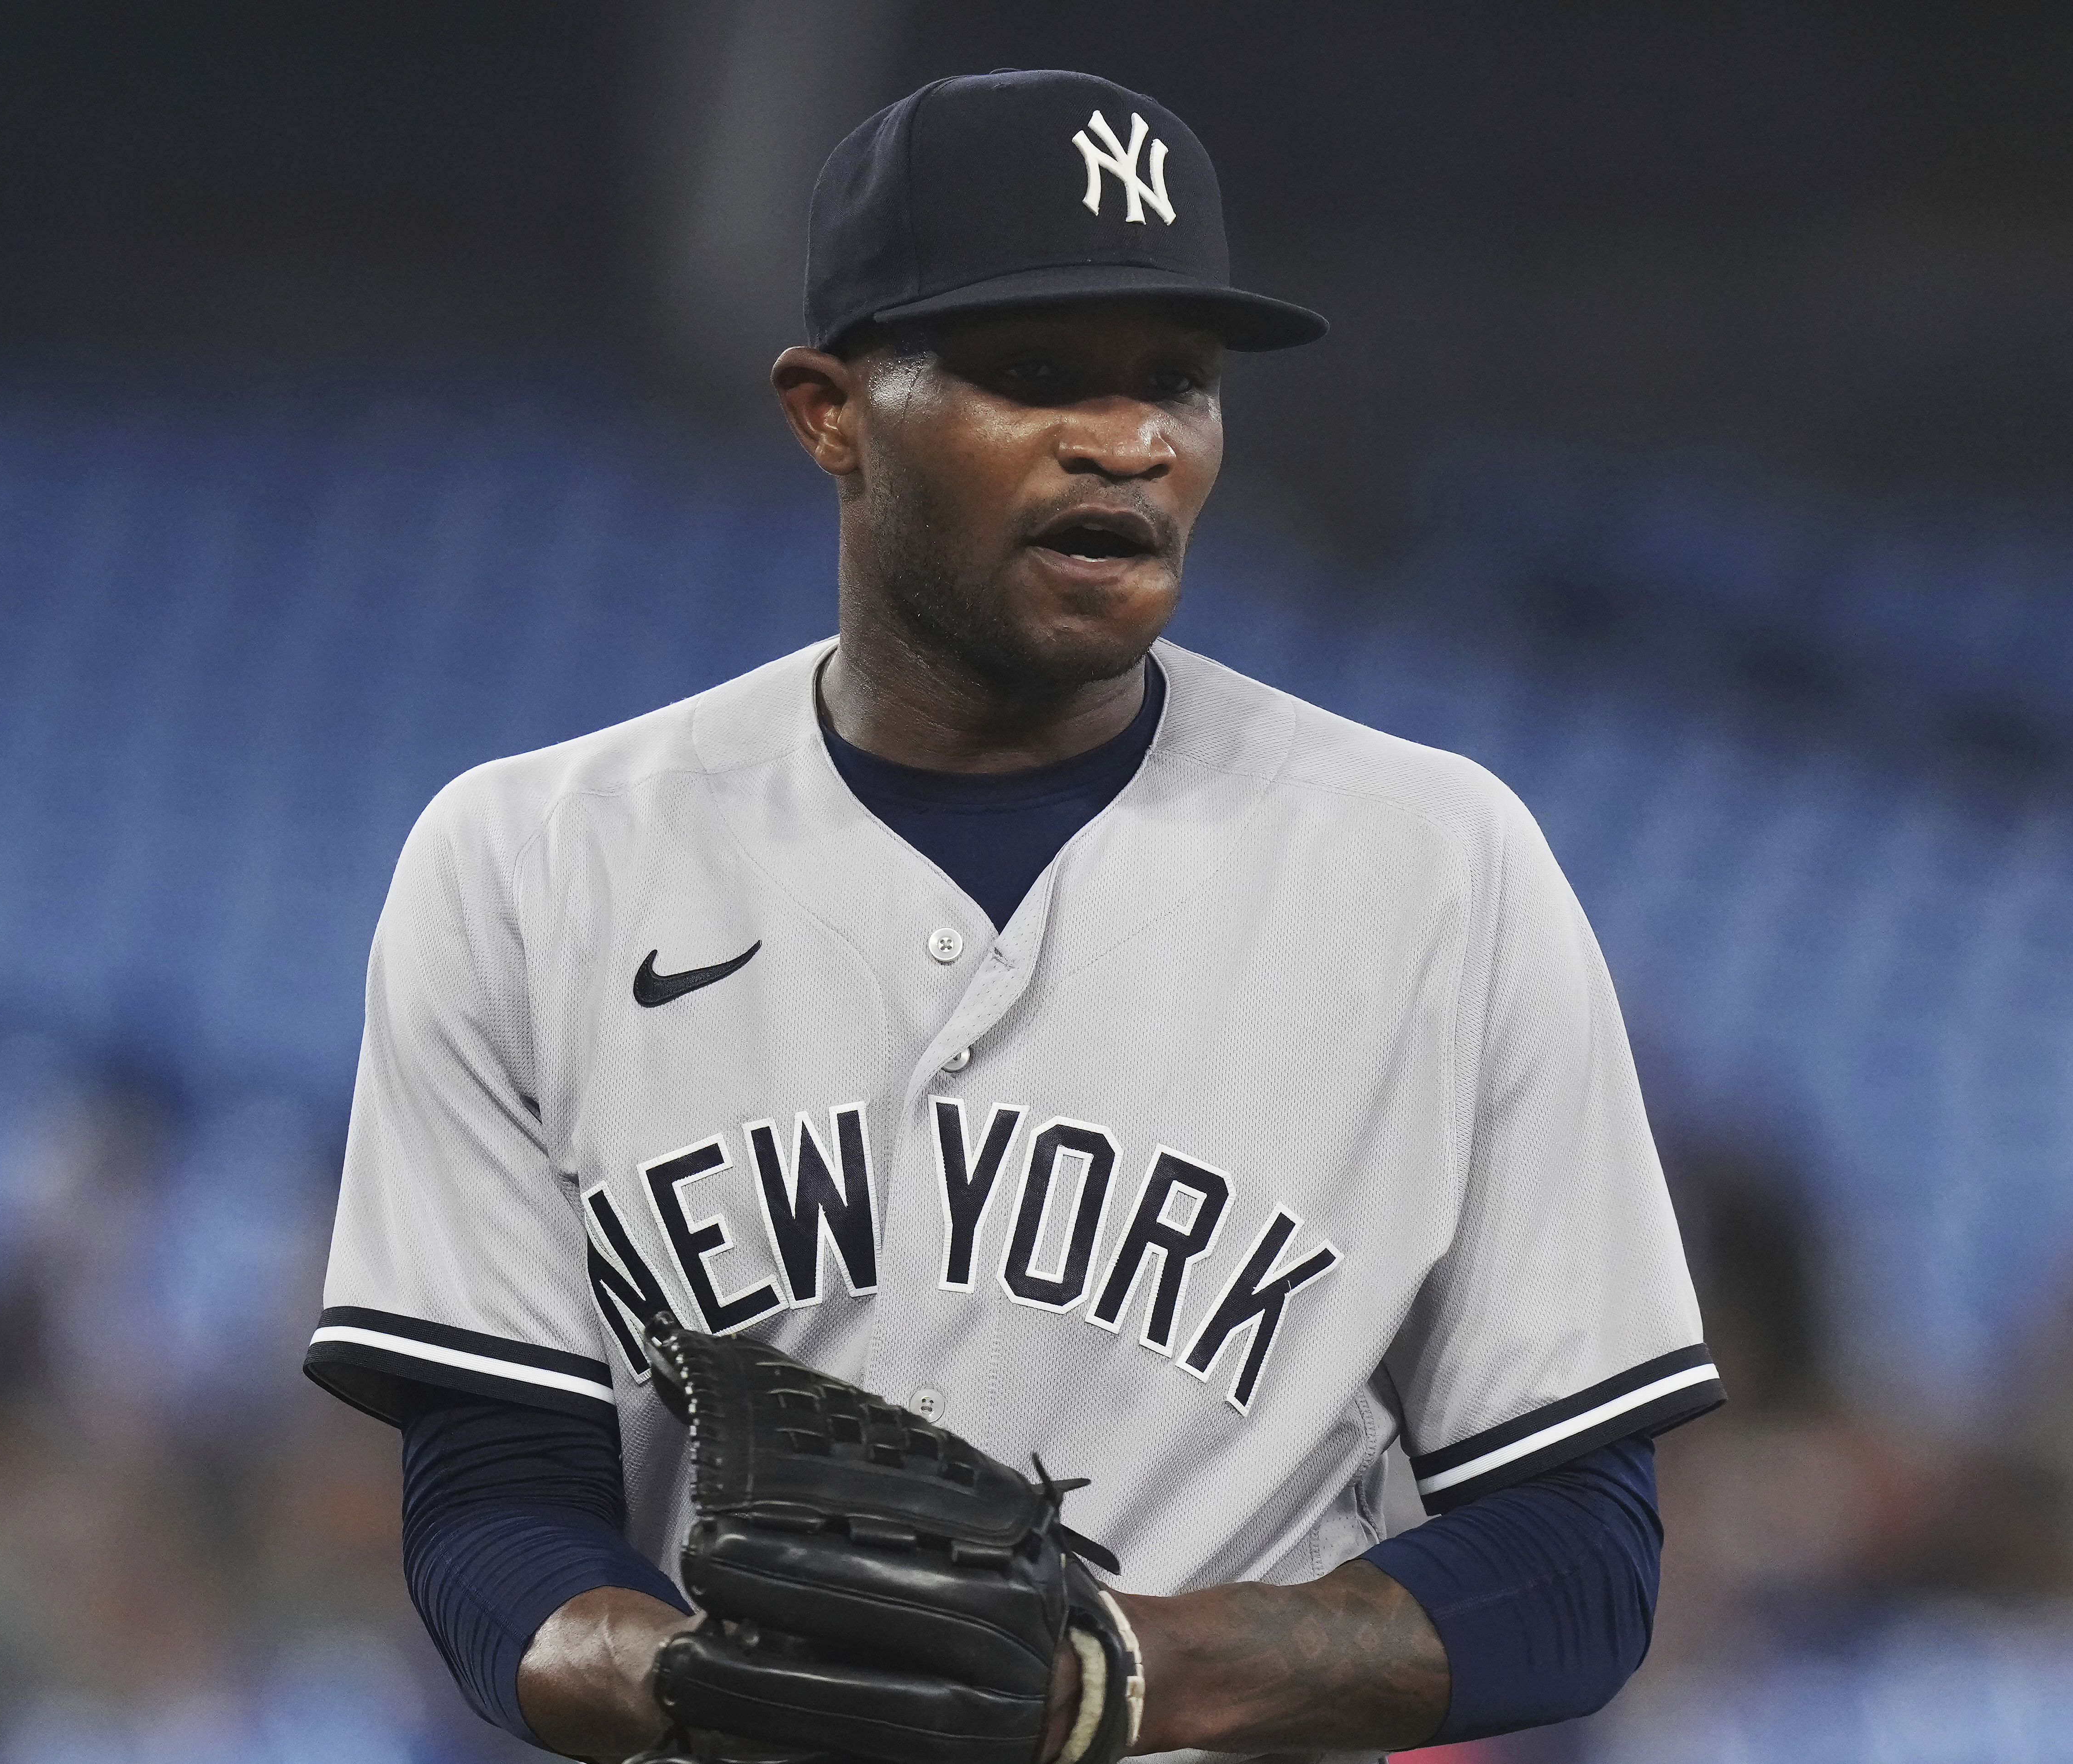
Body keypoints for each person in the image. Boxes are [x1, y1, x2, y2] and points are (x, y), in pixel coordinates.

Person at [304, 69, 1721, 1763]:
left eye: (1176, 384)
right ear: (829, 408)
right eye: (1035, 376)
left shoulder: (1440, 866)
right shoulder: (529, 865)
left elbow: (1579, 1562)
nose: (1128, 440)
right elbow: (489, 1512)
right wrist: (684, 1679)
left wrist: (1122, 1674)